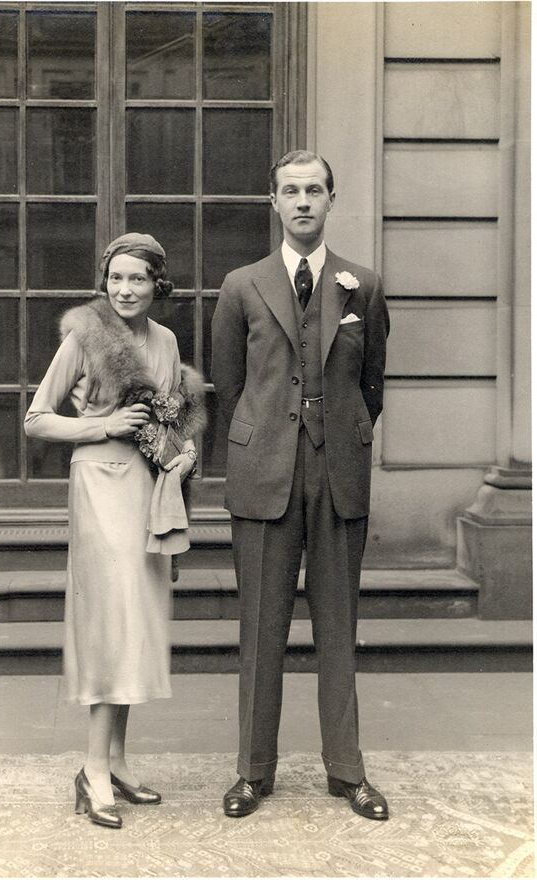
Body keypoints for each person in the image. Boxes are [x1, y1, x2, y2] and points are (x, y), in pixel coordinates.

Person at [211, 151, 390, 821]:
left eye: (315, 189)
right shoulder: (242, 285)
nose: (304, 201)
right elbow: (231, 385)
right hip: (266, 474)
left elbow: (373, 383)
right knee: (261, 626)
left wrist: (339, 432)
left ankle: (348, 772)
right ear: (275, 202)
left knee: (338, 627)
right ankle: (252, 773)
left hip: (338, 470)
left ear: (331, 199)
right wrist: (270, 440)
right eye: (291, 190)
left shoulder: (362, 286)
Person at [25, 233, 203, 829]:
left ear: (158, 285)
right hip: (100, 486)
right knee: (112, 619)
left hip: (151, 489)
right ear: (104, 281)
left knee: (139, 619)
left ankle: (119, 761)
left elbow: (168, 417)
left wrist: (184, 451)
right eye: (116, 278)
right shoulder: (85, 336)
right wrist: (101, 428)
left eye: (139, 279)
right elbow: (37, 419)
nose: (125, 290)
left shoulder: (168, 341)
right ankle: (92, 769)